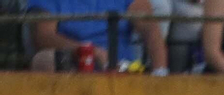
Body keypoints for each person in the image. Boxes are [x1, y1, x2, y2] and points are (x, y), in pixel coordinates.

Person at [26, 0, 168, 71]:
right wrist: (89, 51)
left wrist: (160, 73)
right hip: (73, 67)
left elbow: (150, 29)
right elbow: (43, 36)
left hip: (121, 70)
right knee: (43, 59)